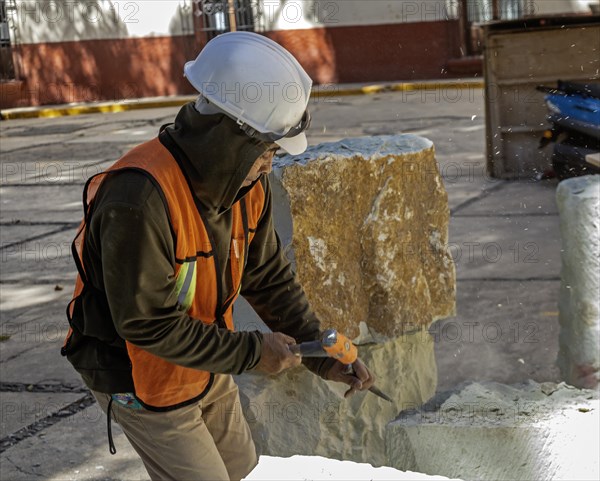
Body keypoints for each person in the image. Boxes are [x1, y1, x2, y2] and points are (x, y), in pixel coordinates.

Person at [61, 32, 374, 481]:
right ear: (230, 139)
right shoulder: (138, 198)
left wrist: (323, 354)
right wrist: (250, 353)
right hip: (138, 375)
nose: (271, 164)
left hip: (203, 360)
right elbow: (147, 324)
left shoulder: (246, 183)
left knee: (242, 471)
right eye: (266, 150)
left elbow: (267, 276)